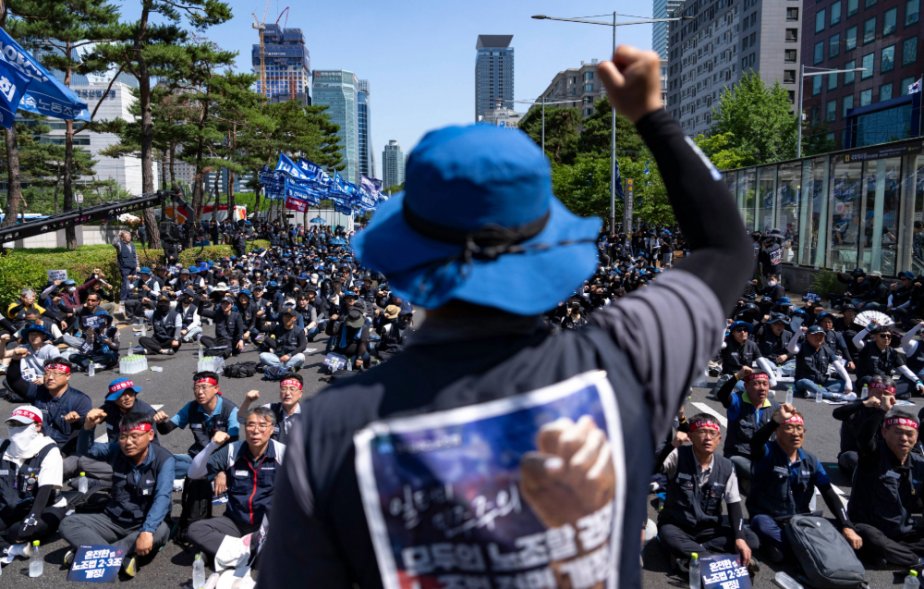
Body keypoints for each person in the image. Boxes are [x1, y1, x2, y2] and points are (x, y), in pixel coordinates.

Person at [258, 46, 754, 588]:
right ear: (548, 247)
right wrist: (653, 118)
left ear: (408, 256)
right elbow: (727, 249)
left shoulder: (330, 431)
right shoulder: (625, 363)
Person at [59, 412, 174, 577]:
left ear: (150, 435)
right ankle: (121, 556)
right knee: (68, 524)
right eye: (123, 436)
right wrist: (89, 427)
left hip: (144, 522)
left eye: (135, 436)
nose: (128, 442)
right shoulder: (116, 450)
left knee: (161, 530)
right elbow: (87, 450)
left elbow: (162, 498)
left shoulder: (164, 459)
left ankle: (90, 554)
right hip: (113, 519)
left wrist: (147, 530)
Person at [747, 404, 862, 563]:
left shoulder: (811, 460)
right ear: (777, 431)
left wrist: (846, 525)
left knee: (844, 529)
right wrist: (775, 421)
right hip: (771, 518)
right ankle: (812, 551)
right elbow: (755, 443)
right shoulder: (767, 452)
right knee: (760, 525)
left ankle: (789, 550)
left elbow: (829, 493)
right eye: (789, 428)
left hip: (800, 519)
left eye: (800, 428)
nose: (796, 433)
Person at [655, 414, 758, 574]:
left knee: (750, 539)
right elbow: (654, 467)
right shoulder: (678, 455)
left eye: (712, 433)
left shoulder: (726, 466)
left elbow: (734, 504)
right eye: (702, 431)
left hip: (709, 530)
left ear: (719, 438)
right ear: (690, 435)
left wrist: (739, 538)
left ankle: (691, 557)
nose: (708, 437)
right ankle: (717, 560)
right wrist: (672, 445)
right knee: (667, 535)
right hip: (678, 526)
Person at [186, 407, 285, 559]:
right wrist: (211, 445)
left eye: (262, 425)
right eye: (251, 424)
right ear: (245, 428)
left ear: (272, 429)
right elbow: (193, 473)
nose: (256, 430)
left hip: (267, 525)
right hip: (235, 523)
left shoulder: (283, 453)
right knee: (195, 530)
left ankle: (231, 551)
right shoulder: (232, 450)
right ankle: (249, 550)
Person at [848, 402, 924, 568]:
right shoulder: (873, 455)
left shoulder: (919, 464)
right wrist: (882, 410)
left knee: (883, 546)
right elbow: (863, 439)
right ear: (884, 432)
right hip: (868, 527)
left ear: (916, 437)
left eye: (909, 434)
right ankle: (915, 560)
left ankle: (887, 554)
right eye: (898, 432)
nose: (904, 438)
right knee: (874, 540)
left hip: (902, 530)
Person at [63, 378, 159, 487]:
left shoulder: (146, 412)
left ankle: (98, 483)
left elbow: (150, 448)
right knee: (80, 460)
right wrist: (76, 420)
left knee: (123, 474)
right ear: (114, 399)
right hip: (113, 455)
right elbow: (87, 421)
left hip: (135, 461)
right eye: (122, 394)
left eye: (130, 393)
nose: (127, 397)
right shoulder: (110, 408)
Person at [0, 406, 67, 559]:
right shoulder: (3, 447)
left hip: (45, 508)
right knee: (11, 532)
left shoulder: (48, 449)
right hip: (11, 507)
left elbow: (45, 490)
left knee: (17, 531)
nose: (16, 429)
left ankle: (9, 541)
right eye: (13, 425)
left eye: (22, 425)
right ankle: (10, 549)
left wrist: (31, 520)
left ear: (37, 426)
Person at [153, 371, 239, 479]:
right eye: (196, 388)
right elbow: (166, 430)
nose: (199, 392)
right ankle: (202, 476)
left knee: (172, 468)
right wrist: (160, 422)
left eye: (204, 387)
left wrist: (221, 469)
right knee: (163, 460)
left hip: (220, 460)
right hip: (197, 456)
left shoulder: (230, 410)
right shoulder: (191, 407)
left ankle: (200, 476)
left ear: (216, 389)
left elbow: (233, 443)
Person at [4, 357, 90, 454]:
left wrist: (76, 421)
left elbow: (84, 429)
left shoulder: (80, 399)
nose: (50, 377)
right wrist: (16, 359)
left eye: (56, 374)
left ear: (67, 376)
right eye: (47, 373)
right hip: (37, 445)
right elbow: (14, 380)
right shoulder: (37, 391)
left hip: (65, 449)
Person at [716, 368, 779, 482]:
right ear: (746, 386)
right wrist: (737, 376)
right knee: (761, 476)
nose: (762, 388)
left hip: (764, 456)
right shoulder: (738, 401)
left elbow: (784, 433)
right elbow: (722, 395)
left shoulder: (775, 406)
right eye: (757, 384)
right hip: (739, 455)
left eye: (765, 384)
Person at [833, 375, 894, 476]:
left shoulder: (896, 414)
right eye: (878, 392)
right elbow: (837, 414)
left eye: (886, 394)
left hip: (883, 457)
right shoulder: (858, 407)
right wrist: (863, 404)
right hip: (857, 455)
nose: (882, 397)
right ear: (869, 391)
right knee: (850, 457)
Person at [853, 321, 923, 398]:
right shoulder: (867, 347)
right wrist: (868, 328)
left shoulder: (892, 352)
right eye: (883, 336)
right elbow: (855, 340)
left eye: (889, 336)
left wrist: (917, 380)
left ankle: (884, 393)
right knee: (867, 379)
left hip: (886, 382)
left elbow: (904, 369)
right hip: (869, 381)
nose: (886, 338)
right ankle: (891, 393)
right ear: (875, 337)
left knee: (911, 383)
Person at [787, 324, 854, 401]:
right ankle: (834, 395)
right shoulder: (802, 347)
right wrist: (798, 333)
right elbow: (791, 348)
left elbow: (838, 366)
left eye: (821, 335)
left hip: (821, 383)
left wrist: (848, 381)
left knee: (842, 383)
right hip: (804, 382)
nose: (818, 337)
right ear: (808, 336)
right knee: (806, 382)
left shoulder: (827, 350)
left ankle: (814, 393)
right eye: (815, 335)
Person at [238, 374, 304, 446]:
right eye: (284, 389)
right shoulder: (270, 409)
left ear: (300, 393)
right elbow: (241, 419)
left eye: (292, 389)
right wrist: (247, 401)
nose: (287, 393)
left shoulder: (309, 414)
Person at [1, 324, 59, 401]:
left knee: (52, 388)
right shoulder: (23, 348)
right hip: (30, 380)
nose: (33, 337)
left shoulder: (51, 349)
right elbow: (3, 355)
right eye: (31, 334)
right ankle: (30, 396)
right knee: (6, 381)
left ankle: (19, 396)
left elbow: (58, 367)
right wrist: (2, 342)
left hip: (46, 379)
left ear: (43, 336)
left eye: (36, 334)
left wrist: (45, 378)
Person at [257, 306, 307, 372]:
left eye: (290, 317)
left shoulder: (299, 330)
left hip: (292, 356)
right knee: (262, 356)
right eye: (285, 316)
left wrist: (289, 355)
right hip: (279, 357)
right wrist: (258, 318)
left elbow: (303, 346)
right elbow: (261, 328)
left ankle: (276, 367)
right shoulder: (277, 328)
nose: (287, 318)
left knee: (301, 357)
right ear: (282, 317)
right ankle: (288, 367)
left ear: (294, 318)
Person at [113, 230, 138, 301]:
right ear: (122, 238)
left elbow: (135, 256)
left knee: (132, 283)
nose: (128, 237)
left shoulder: (132, 245)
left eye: (129, 236)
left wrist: (137, 265)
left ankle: (129, 297)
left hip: (133, 267)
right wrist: (118, 235)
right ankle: (123, 299)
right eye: (126, 236)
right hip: (125, 268)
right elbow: (114, 243)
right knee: (125, 283)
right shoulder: (120, 245)